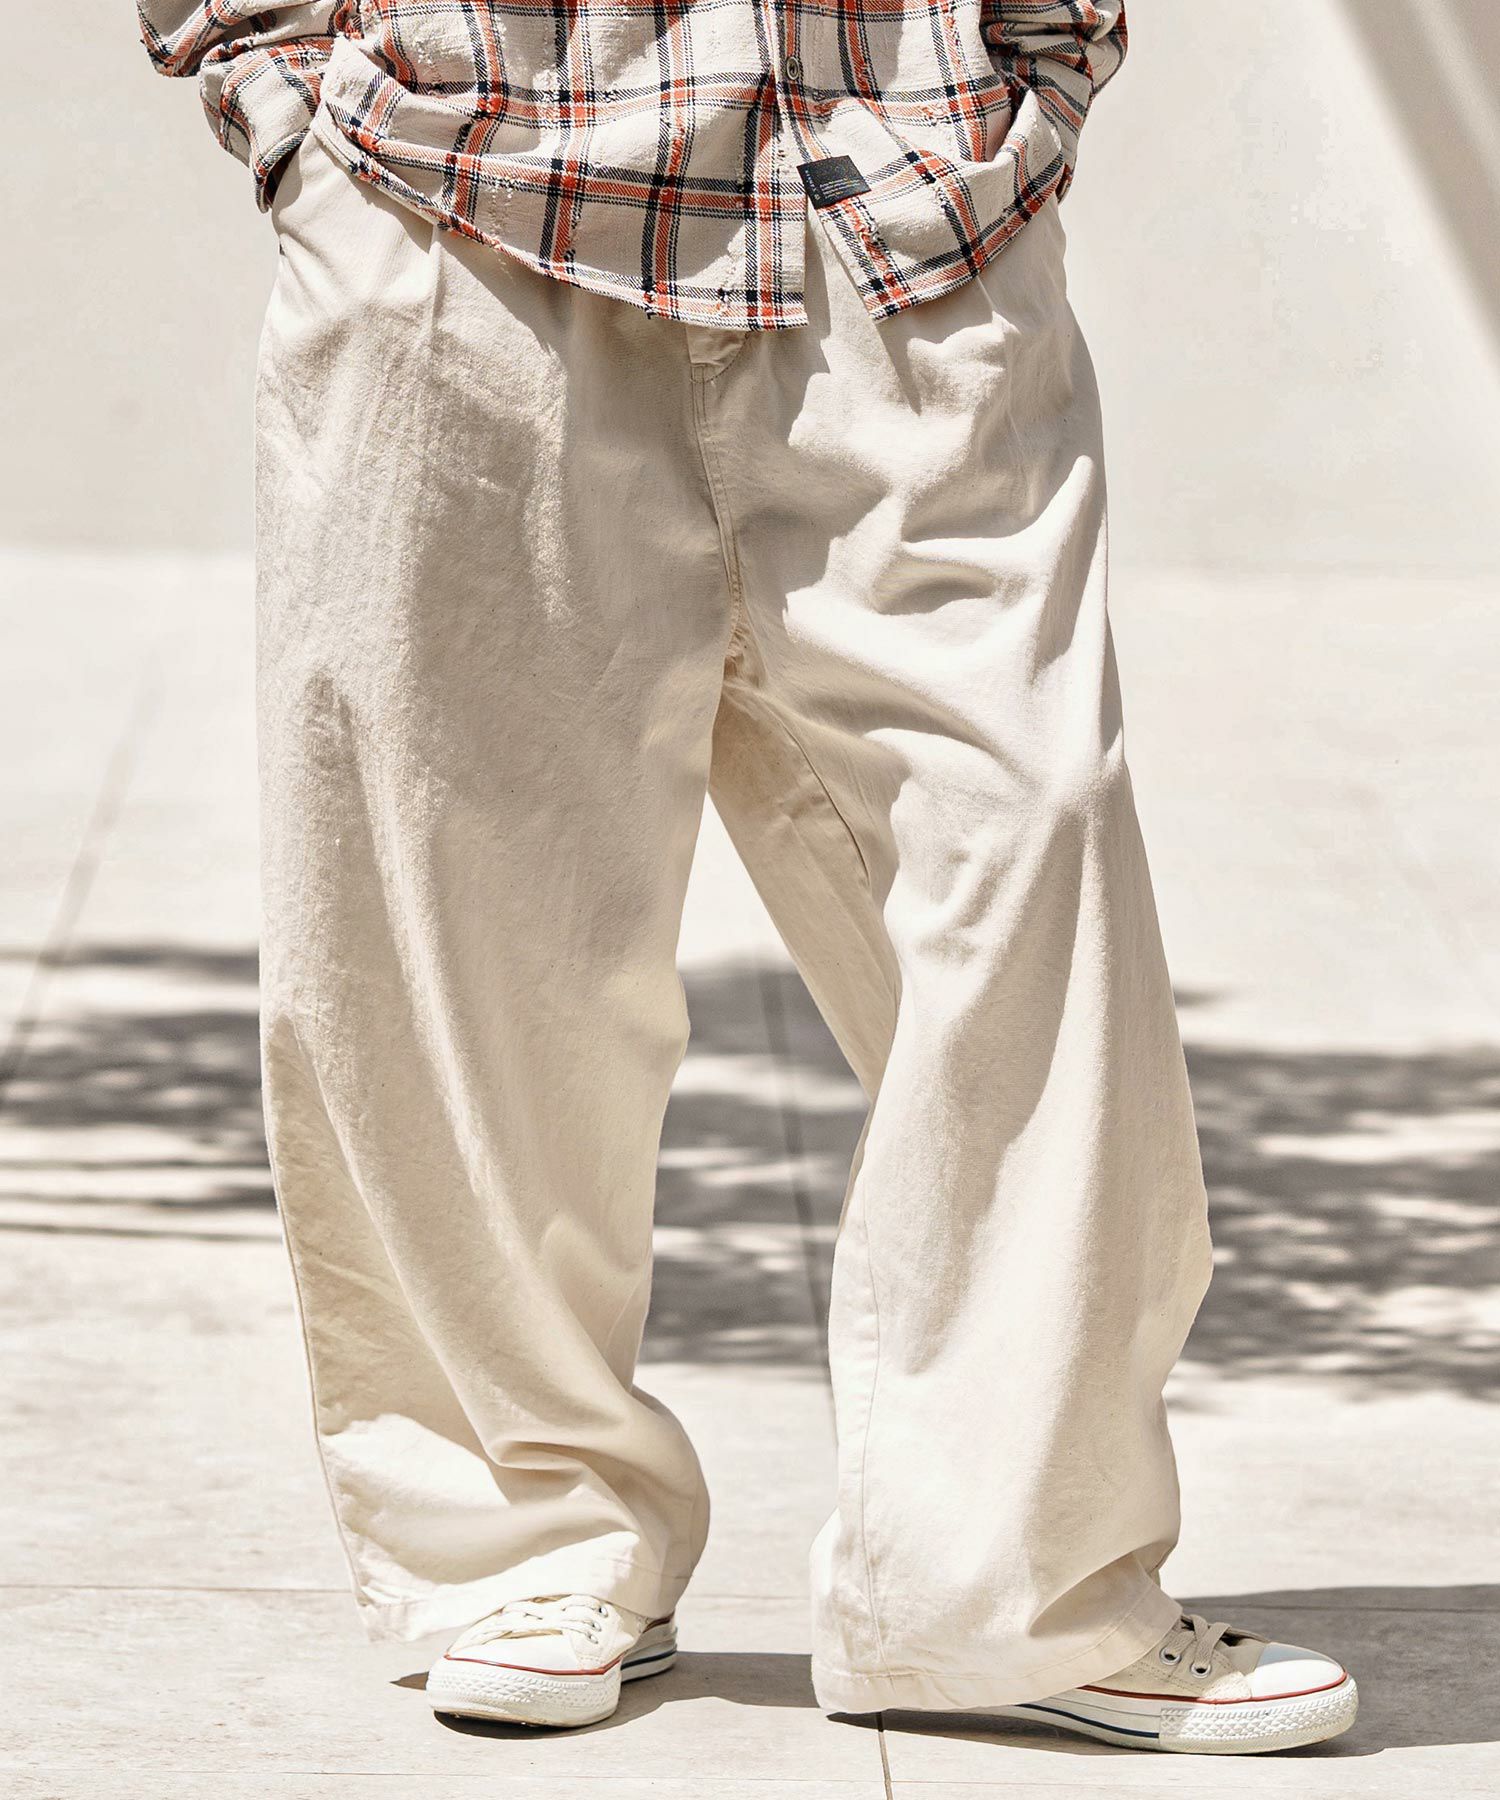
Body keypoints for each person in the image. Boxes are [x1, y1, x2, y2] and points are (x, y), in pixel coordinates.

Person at [137, 0, 1357, 1755]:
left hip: (899, 201)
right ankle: (532, 1545)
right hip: (459, 191)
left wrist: (1042, 75)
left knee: (1032, 844)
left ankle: (1009, 1588)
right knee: (464, 929)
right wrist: (285, 102)